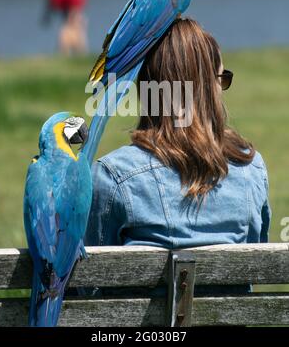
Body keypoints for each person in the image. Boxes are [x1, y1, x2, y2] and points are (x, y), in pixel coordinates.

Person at [85, 18, 271, 249]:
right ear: (209, 88)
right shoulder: (251, 170)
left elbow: (91, 280)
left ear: (145, 86)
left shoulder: (112, 177)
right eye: (222, 79)